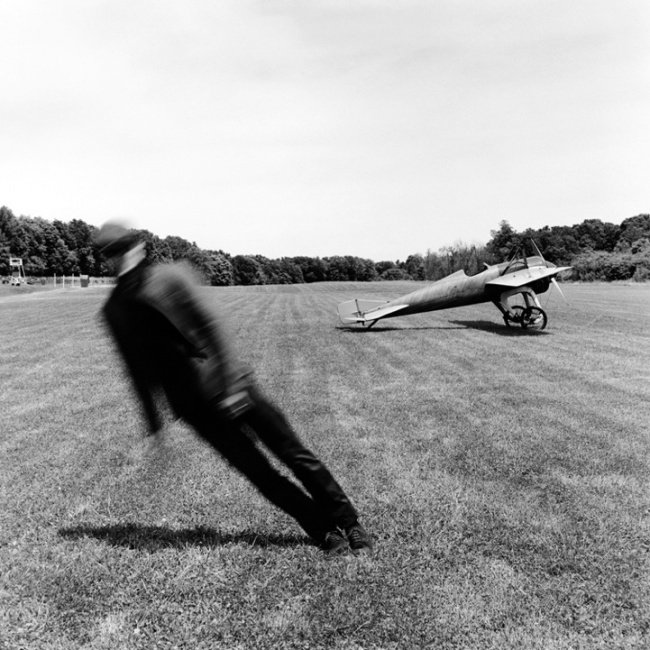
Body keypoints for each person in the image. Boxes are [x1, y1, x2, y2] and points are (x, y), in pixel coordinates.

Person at [94, 222, 372, 555]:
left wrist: (233, 387)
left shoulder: (170, 278)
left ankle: (350, 522)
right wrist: (154, 428)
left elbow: (212, 326)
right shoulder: (113, 310)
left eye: (123, 248)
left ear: (138, 247)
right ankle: (324, 530)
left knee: (294, 454)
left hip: (233, 384)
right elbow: (137, 371)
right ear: (106, 259)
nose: (120, 258)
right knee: (261, 475)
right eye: (111, 253)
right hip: (194, 407)